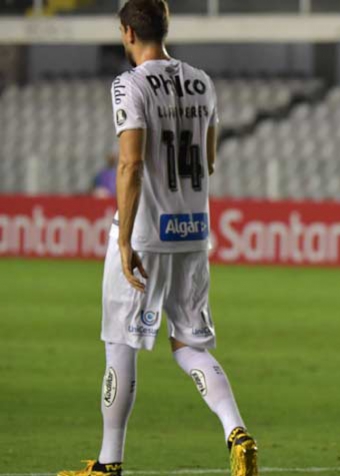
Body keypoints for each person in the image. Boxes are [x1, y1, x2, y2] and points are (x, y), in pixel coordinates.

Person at [58, 1, 257, 475]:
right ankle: (237, 431)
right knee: (190, 344)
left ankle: (109, 463)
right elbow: (208, 160)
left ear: (128, 32)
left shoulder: (129, 84)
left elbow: (129, 164)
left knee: (120, 345)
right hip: (192, 231)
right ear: (165, 28)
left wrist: (125, 241)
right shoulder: (202, 81)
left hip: (147, 231)